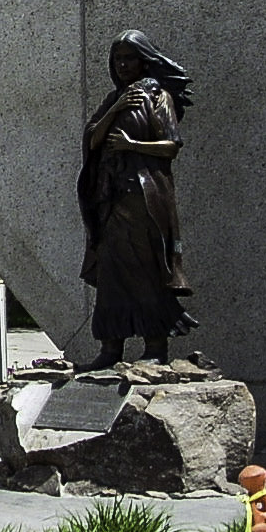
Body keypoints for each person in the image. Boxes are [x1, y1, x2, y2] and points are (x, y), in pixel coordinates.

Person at [78, 29, 196, 367]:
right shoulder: (115, 99)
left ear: (144, 60)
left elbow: (171, 146)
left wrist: (133, 146)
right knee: (111, 275)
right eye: (117, 59)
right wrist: (114, 110)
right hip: (112, 202)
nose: (123, 64)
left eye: (129, 58)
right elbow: (93, 141)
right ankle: (109, 350)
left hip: (144, 201)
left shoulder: (158, 97)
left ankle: (155, 350)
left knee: (147, 273)